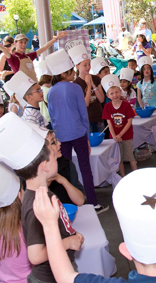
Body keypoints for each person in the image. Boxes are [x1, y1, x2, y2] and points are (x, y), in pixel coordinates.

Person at [0, 113, 83, 283]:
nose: (58, 149)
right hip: (51, 279)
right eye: (52, 154)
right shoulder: (36, 202)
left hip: (57, 271)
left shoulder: (42, 193)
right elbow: (35, 256)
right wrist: (69, 243)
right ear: (44, 165)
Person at [46, 49, 109, 214]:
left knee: (65, 170)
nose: (74, 72)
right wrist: (87, 138)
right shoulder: (74, 88)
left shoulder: (51, 92)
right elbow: (83, 113)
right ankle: (93, 203)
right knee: (84, 168)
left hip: (61, 136)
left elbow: (52, 116)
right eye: (71, 70)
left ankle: (69, 204)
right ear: (65, 73)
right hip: (79, 133)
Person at [0, 32, 66, 82]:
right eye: (21, 42)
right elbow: (4, 50)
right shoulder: (13, 58)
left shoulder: (28, 56)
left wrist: (57, 38)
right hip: (23, 89)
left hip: (34, 84)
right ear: (15, 43)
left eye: (25, 42)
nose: (23, 45)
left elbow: (43, 48)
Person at [101, 74, 138, 177]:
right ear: (108, 96)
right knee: (119, 159)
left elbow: (129, 121)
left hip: (126, 136)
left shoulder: (126, 105)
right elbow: (109, 123)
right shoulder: (107, 107)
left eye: (117, 92)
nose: (115, 95)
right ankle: (122, 177)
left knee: (130, 157)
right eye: (111, 93)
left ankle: (137, 176)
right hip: (115, 138)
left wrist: (120, 134)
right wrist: (114, 136)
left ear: (120, 91)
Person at [69, 46, 105, 134]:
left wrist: (93, 84)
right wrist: (89, 86)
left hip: (99, 117)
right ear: (77, 66)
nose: (88, 67)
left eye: (89, 64)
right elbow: (85, 103)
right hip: (86, 119)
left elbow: (101, 99)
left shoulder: (96, 79)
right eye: (85, 65)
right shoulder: (76, 84)